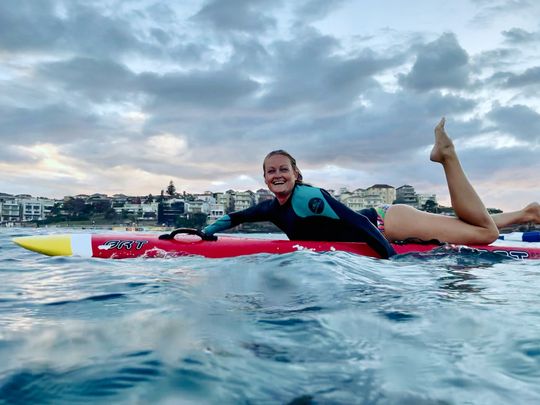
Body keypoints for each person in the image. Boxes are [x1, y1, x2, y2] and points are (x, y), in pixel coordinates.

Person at [204, 118, 540, 259]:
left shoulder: (311, 196)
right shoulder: (268, 207)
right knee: (473, 227)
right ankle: (528, 213)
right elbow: (232, 218)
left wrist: (390, 261)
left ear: (296, 174)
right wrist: (202, 233)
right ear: (264, 179)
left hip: (387, 223)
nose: (277, 175)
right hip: (389, 224)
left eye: (283, 169)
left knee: (484, 234)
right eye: (270, 171)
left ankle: (447, 156)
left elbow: (359, 225)